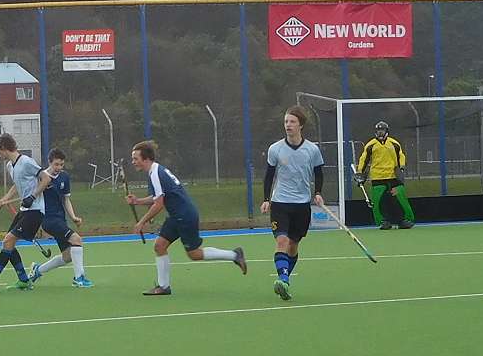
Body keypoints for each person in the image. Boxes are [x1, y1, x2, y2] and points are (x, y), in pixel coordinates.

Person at [125, 140, 246, 296]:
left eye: (135, 158)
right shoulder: (155, 171)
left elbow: (159, 204)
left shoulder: (155, 173)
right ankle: (163, 287)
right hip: (176, 216)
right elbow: (158, 197)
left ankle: (235, 255)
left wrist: (142, 222)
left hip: (185, 216)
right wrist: (138, 201)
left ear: (146, 159)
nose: (133, 162)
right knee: (159, 246)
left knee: (194, 254)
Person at [261, 106, 330, 299]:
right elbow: (269, 175)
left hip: (302, 205)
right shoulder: (275, 149)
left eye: (292, 121)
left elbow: (318, 173)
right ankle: (283, 279)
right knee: (282, 241)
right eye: (286, 121)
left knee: (293, 245)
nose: (288, 125)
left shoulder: (312, 150)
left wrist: (318, 192)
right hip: (280, 203)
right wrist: (266, 199)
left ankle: (284, 280)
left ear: (301, 125)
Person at [0, 133, 43, 293]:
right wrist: (4, 199)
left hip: (36, 210)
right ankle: (24, 280)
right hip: (24, 210)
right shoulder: (11, 166)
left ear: (4, 148)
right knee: (8, 243)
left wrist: (33, 196)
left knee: (8, 240)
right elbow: (17, 185)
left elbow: (45, 178)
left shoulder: (26, 162)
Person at [26, 148, 92, 287]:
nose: (59, 167)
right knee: (76, 239)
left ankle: (38, 270)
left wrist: (73, 217)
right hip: (48, 220)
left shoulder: (64, 177)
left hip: (60, 219)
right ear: (49, 162)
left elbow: (66, 199)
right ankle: (79, 278)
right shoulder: (41, 177)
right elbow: (31, 195)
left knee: (68, 256)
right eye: (56, 164)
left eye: (61, 164)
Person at [355, 119, 416, 230]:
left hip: (393, 177)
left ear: (387, 131)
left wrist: (401, 168)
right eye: (378, 131)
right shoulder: (371, 145)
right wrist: (360, 173)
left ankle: (403, 220)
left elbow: (400, 156)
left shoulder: (394, 143)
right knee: (379, 201)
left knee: (398, 199)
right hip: (377, 178)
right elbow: (364, 159)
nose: (380, 133)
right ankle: (384, 221)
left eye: (382, 131)